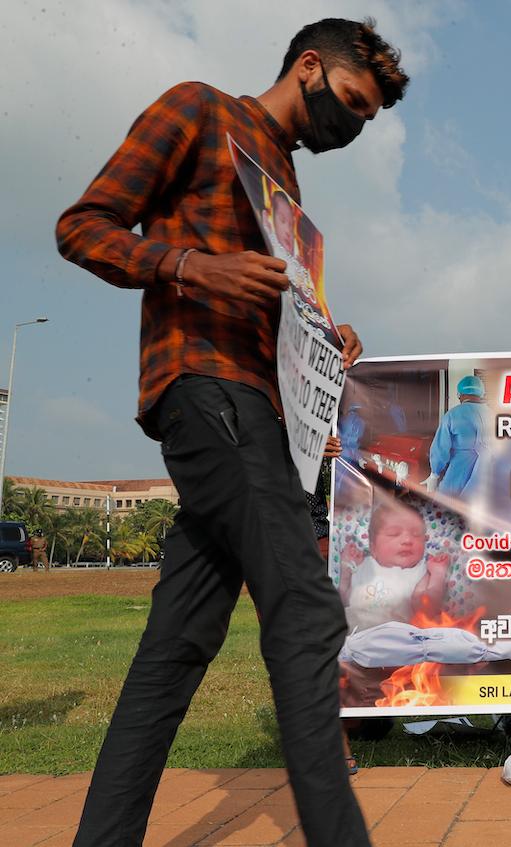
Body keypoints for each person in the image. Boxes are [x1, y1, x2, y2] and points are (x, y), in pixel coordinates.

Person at [54, 18, 409, 847]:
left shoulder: (284, 183)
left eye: (364, 118)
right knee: (306, 607)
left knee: (177, 644)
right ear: (310, 68)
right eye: (350, 104)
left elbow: (276, 311)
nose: (350, 127)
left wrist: (327, 331)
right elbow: (82, 225)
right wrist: (187, 264)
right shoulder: (199, 110)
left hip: (263, 408)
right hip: (205, 388)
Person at [338, 496, 445, 630]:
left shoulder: (420, 572)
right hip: (354, 636)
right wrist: (346, 571)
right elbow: (343, 601)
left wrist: (438, 575)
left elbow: (427, 610)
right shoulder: (363, 566)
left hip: (396, 639)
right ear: (373, 547)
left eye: (416, 534)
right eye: (394, 534)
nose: (407, 540)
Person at [428, 375, 490, 499]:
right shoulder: (493, 414)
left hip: (458, 472)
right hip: (487, 474)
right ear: (481, 393)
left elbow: (440, 450)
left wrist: (434, 474)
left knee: (446, 508)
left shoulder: (452, 415)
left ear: (459, 394)